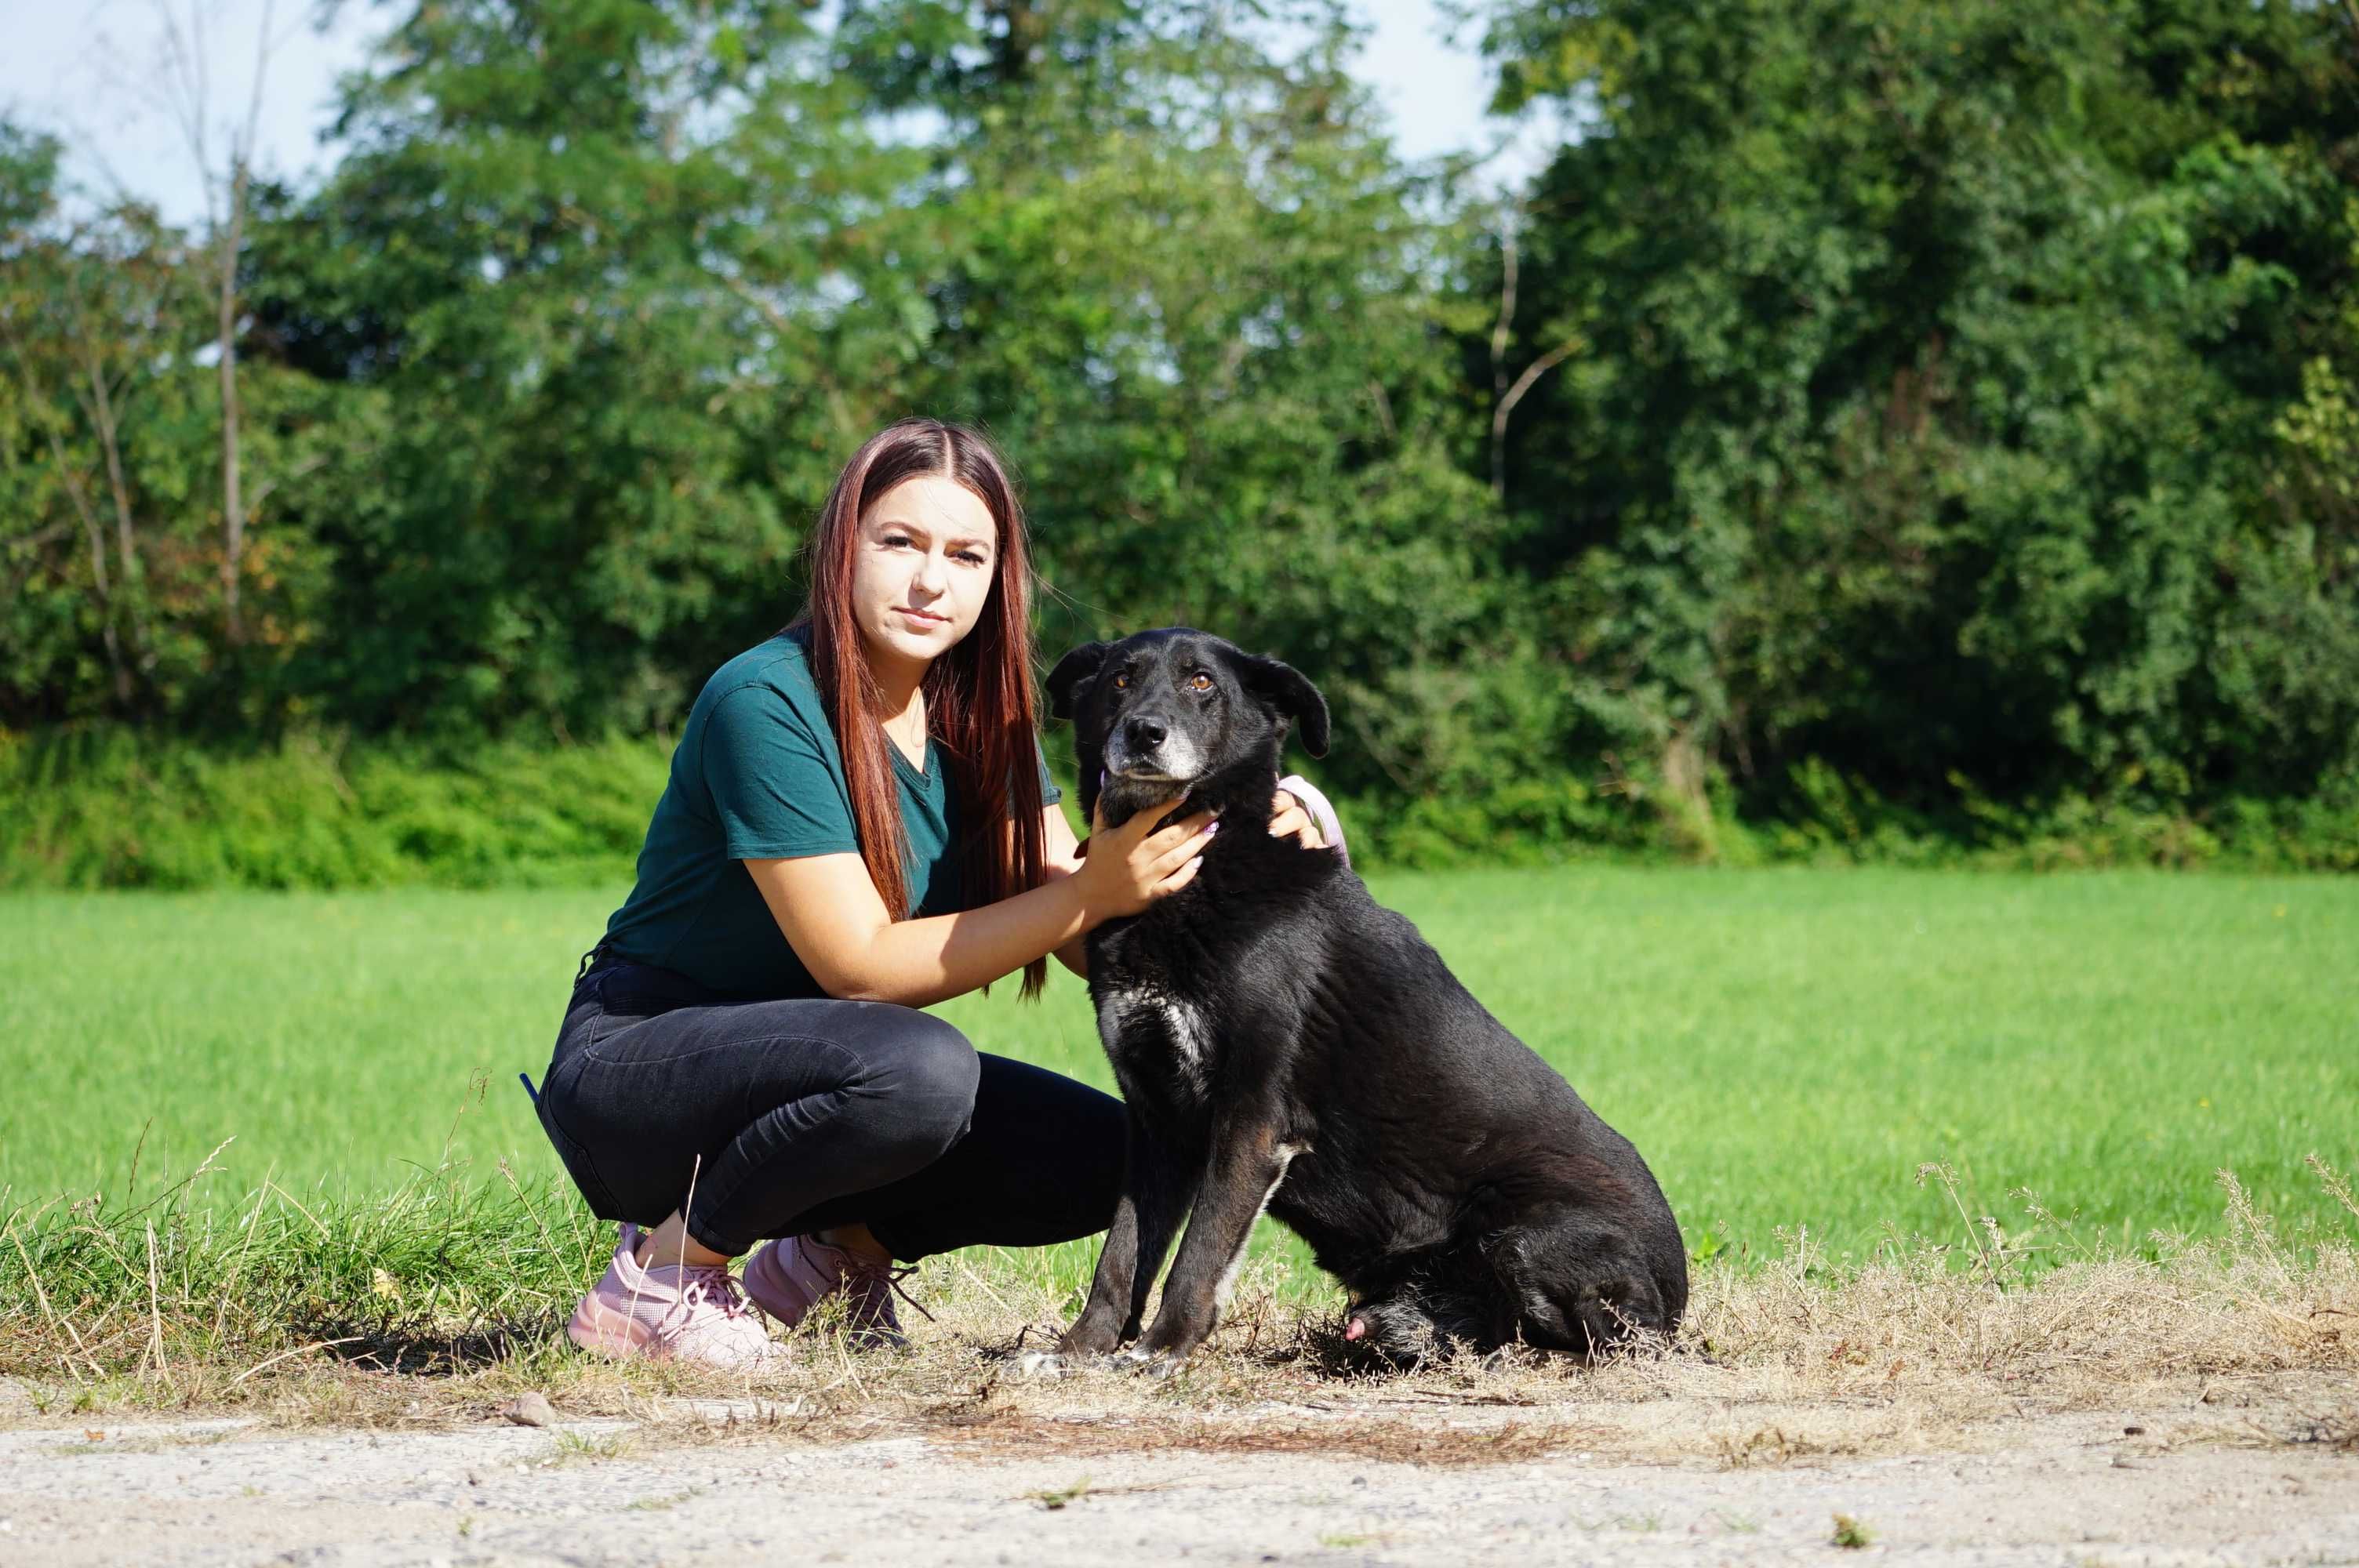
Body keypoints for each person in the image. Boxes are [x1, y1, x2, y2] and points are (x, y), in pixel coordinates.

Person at [533, 417, 1341, 1366]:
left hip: (818, 1078)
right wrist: (1090, 897)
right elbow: (860, 964)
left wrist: (1263, 822)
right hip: (646, 1068)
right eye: (899, 543)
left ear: (998, 577)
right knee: (917, 1069)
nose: (931, 581)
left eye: (966, 554)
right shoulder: (765, 700)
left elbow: (1087, 916)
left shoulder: (982, 721)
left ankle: (828, 1262)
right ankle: (662, 1277)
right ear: (843, 546)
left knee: (1100, 1151)